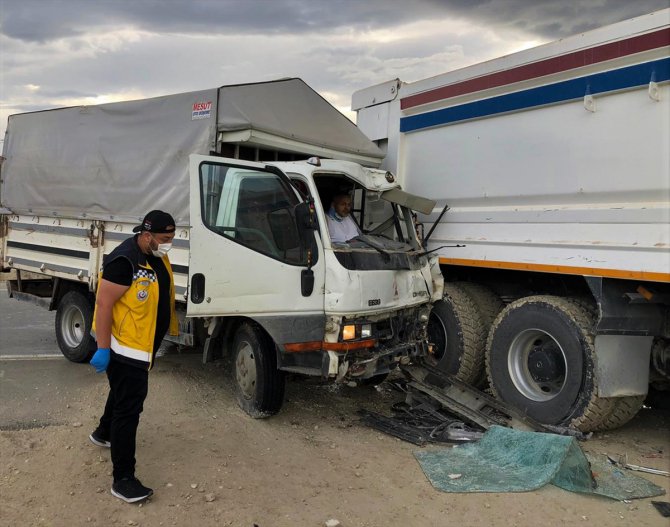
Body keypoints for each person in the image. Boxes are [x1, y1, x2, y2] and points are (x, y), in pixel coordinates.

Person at [88, 210, 178, 503]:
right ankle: (123, 479)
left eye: (172, 238)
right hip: (125, 348)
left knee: (122, 394)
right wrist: (103, 348)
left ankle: (103, 432)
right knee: (129, 409)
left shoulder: (155, 256)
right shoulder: (124, 261)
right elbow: (103, 305)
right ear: (147, 235)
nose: (168, 244)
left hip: (141, 344)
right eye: (164, 239)